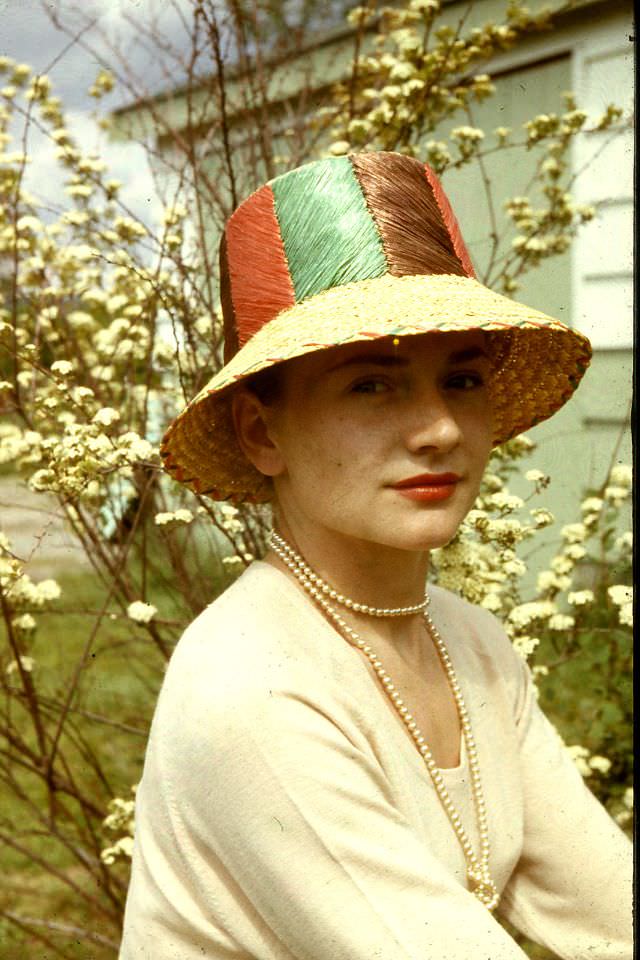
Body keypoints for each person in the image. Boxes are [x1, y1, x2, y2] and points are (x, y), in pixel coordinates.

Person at [119, 151, 632, 959]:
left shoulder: (473, 646)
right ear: (262, 432)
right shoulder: (252, 687)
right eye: (371, 384)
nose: (439, 429)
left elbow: (609, 905)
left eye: (462, 380)